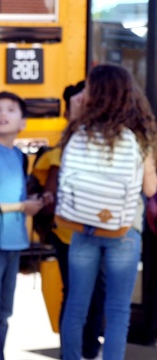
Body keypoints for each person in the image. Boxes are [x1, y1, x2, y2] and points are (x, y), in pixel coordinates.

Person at [58, 64, 157, 360]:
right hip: (124, 231)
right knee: (117, 311)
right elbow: (150, 189)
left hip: (81, 227)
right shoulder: (139, 137)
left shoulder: (79, 133)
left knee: (76, 306)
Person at [31, 81, 105, 360]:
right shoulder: (63, 150)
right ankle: (75, 353)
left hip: (97, 233)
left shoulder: (103, 140)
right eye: (78, 103)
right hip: (68, 233)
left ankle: (87, 350)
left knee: (95, 294)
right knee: (77, 293)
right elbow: (49, 193)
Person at [0, 91, 45, 360]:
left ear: (23, 122)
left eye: (10, 110)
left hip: (15, 242)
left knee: (4, 313)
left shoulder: (20, 157)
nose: (3, 115)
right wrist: (22, 207)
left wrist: (32, 202)